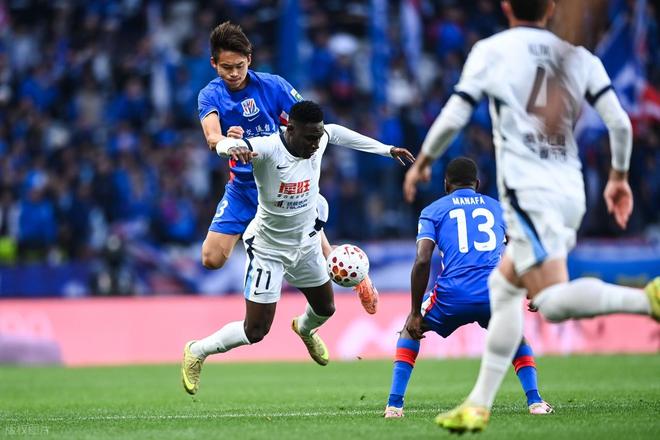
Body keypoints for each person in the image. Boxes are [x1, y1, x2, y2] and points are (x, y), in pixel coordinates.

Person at [403, 0, 659, 433]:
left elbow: (456, 113)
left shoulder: (491, 50)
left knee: (552, 301)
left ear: (506, 6)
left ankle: (646, 300)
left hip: (528, 194)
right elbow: (620, 123)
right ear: (551, 8)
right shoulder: (579, 57)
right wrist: (618, 177)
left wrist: (425, 160)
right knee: (503, 288)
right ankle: (478, 404)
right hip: (569, 190)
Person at [182, 101, 415, 395]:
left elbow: (337, 133)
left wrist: (386, 149)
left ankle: (303, 329)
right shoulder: (267, 148)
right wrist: (231, 146)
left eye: (318, 137)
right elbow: (224, 147)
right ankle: (197, 350)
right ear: (290, 129)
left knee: (325, 308)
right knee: (256, 331)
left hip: (305, 244)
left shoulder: (318, 139)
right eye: (310, 138)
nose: (316, 145)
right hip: (268, 249)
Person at [198, 21, 379, 314]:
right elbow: (211, 136)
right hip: (243, 188)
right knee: (211, 259)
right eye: (226, 67)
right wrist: (228, 143)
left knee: (319, 246)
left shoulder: (273, 86)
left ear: (249, 60)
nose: (233, 73)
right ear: (213, 64)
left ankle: (360, 278)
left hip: (280, 183)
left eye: (239, 66)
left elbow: (307, 125)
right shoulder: (210, 95)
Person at [384, 157, 551, 419]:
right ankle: (536, 402)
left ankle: (394, 406)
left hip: (452, 296)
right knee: (515, 337)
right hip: (494, 294)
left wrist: (415, 312)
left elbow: (423, 259)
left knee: (409, 330)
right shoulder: (498, 209)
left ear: (446, 184)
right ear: (478, 183)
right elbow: (525, 248)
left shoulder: (433, 211)